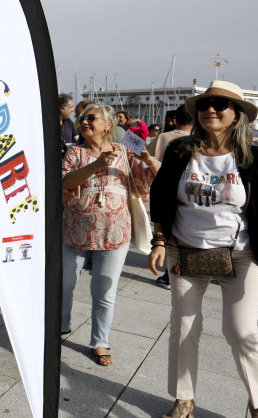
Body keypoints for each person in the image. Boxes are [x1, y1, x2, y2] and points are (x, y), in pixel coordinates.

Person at [148, 80, 258, 417]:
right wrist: (159, 241)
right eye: (204, 105)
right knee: (184, 324)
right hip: (185, 249)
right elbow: (159, 198)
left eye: (220, 105)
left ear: (236, 115)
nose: (210, 110)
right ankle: (184, 398)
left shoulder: (255, 156)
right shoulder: (179, 152)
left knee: (241, 330)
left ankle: (257, 400)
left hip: (243, 254)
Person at [61, 103, 158, 366]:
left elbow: (146, 183)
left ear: (108, 124)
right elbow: (65, 183)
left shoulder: (125, 152)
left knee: (104, 289)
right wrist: (96, 165)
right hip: (74, 229)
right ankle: (61, 322)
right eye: (82, 118)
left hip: (115, 232)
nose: (84, 122)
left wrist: (148, 160)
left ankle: (100, 342)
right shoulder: (74, 153)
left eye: (91, 118)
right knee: (65, 282)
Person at [147, 105, 194, 289]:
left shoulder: (164, 138)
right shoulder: (198, 141)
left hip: (162, 191)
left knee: (168, 233)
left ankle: (168, 274)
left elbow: (146, 158)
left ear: (176, 118)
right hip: (188, 194)